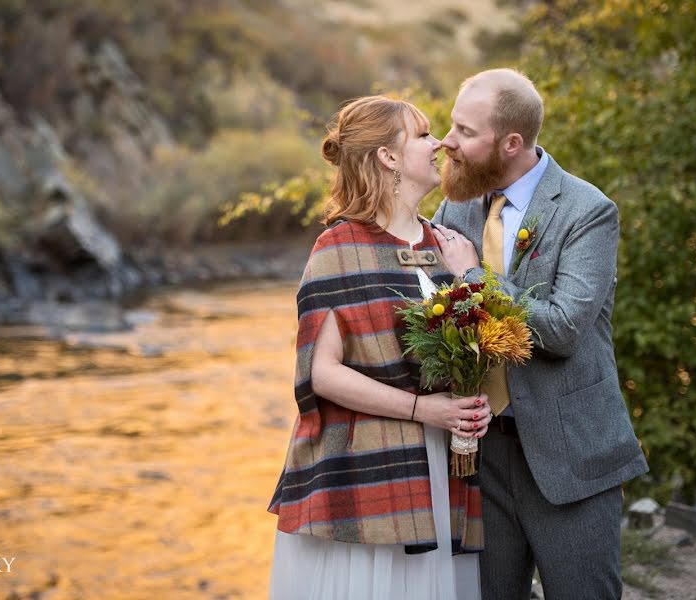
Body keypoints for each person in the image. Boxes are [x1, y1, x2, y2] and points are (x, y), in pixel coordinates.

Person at [430, 68, 649, 599]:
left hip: (571, 454)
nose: (447, 142)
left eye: (464, 131)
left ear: (510, 143)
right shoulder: (457, 206)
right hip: (478, 456)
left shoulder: (588, 212)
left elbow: (564, 329)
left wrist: (472, 277)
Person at [267, 95, 493, 600]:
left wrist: (472, 402)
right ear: (388, 157)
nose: (438, 144)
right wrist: (422, 409)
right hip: (369, 472)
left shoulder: (448, 245)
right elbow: (321, 375)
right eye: (422, 135)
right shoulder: (337, 248)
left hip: (444, 465)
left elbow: (476, 346)